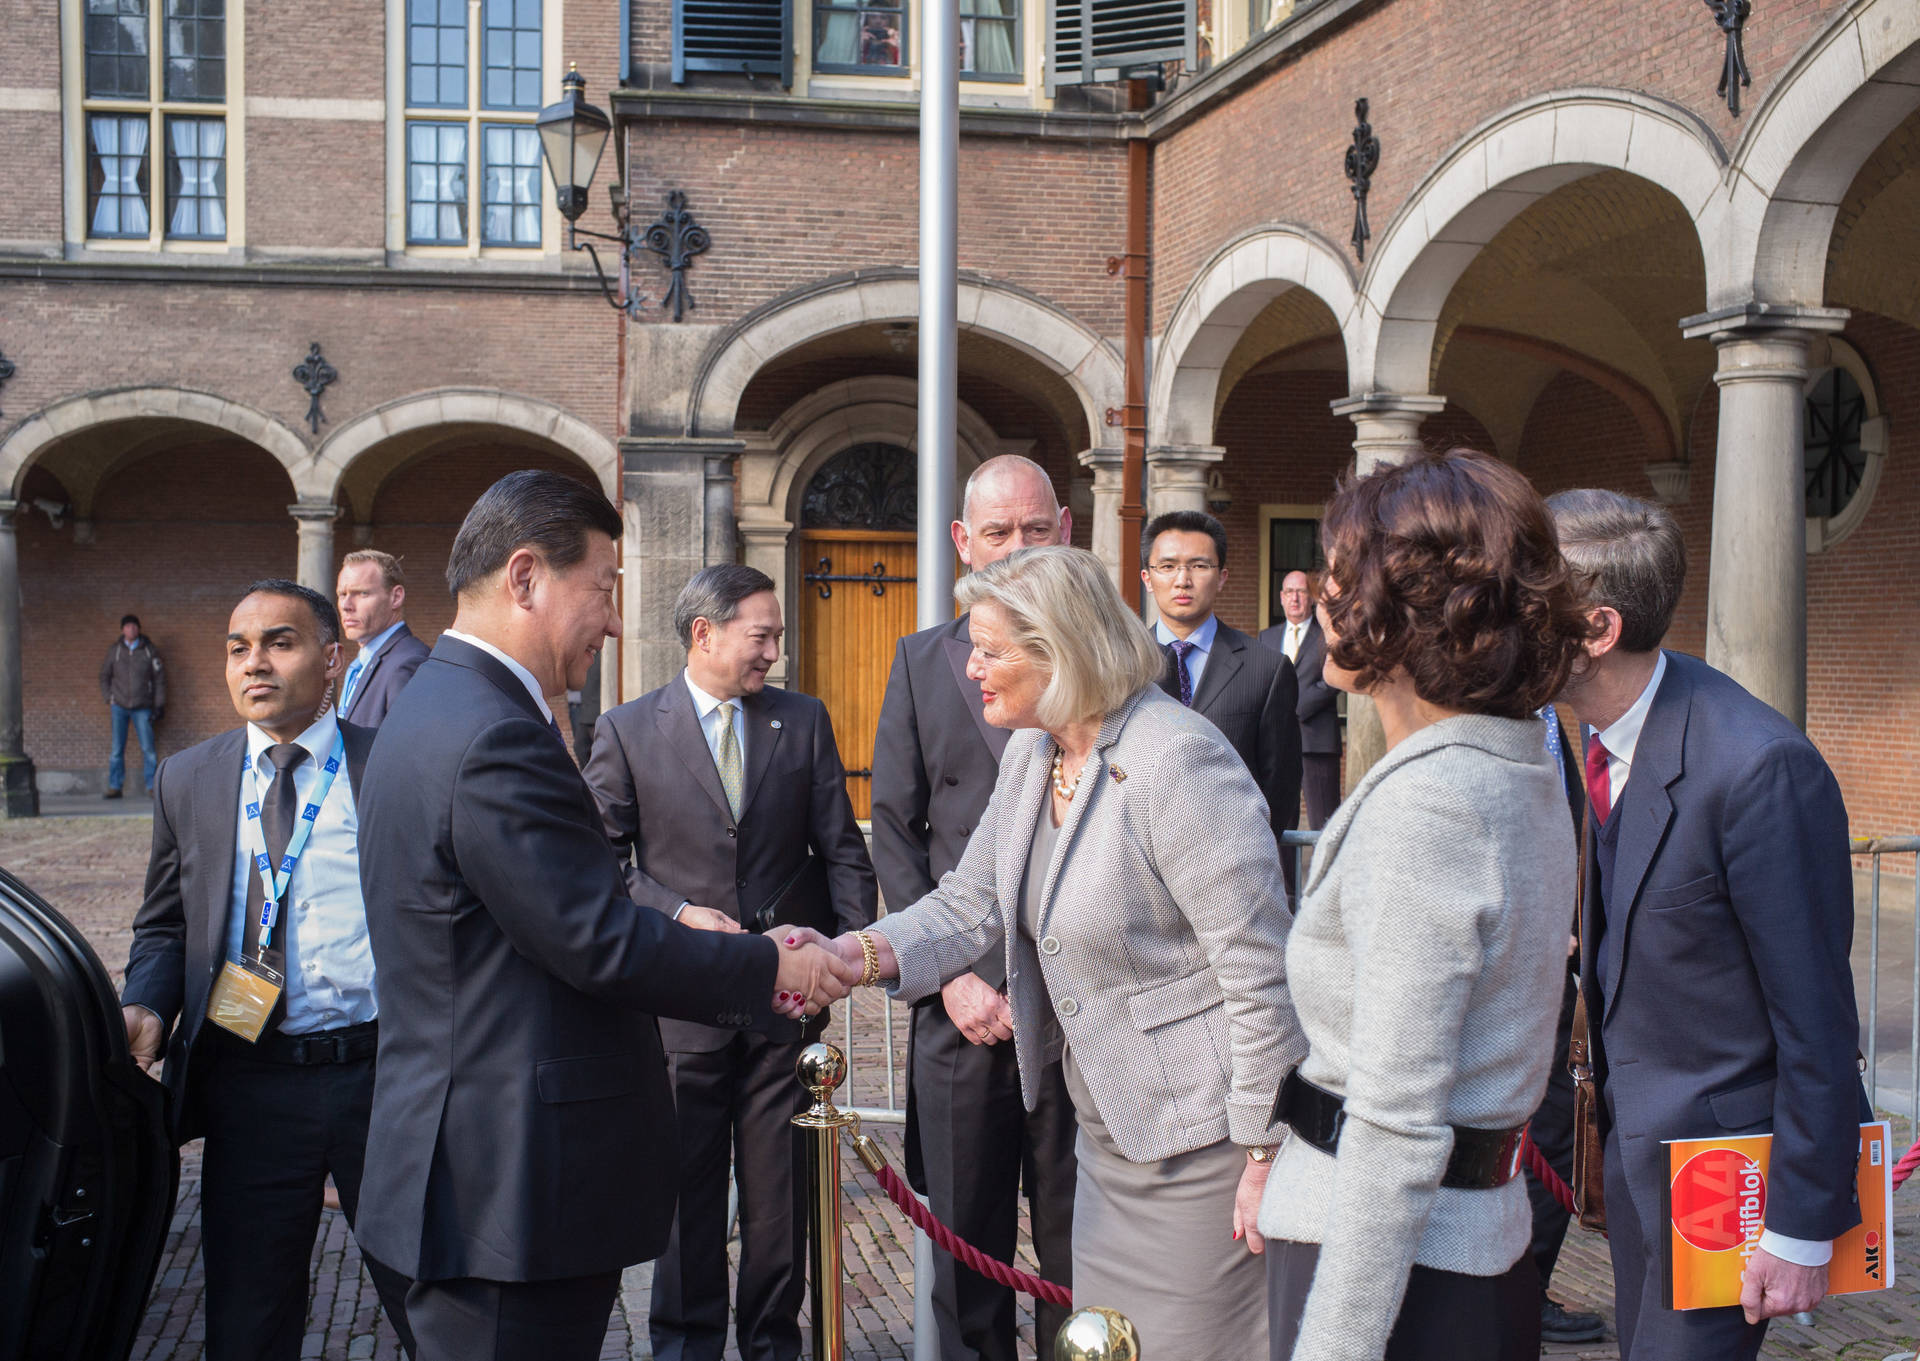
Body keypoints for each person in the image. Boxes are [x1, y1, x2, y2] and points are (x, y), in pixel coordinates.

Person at [351, 470, 858, 1361]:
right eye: (603, 587)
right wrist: (767, 965)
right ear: (525, 578)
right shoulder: (494, 731)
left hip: (465, 1170)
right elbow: (594, 937)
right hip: (502, 1191)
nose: (618, 620)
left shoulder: (439, 703)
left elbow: (549, 911)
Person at [806, 544, 1302, 1361]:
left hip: (1207, 1147)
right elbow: (970, 903)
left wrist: (1262, 1149)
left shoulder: (1177, 757)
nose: (970, 668)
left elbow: (1258, 968)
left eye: (991, 649)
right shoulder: (1039, 755)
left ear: (1059, 649)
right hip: (1109, 1134)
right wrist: (849, 953)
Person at [1259, 449, 1595, 1361]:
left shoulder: (1432, 805)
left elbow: (1399, 1123)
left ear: (1397, 612)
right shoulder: (1514, 761)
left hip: (1393, 1272)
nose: (1325, 602)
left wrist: (1334, 1345)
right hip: (1461, 1248)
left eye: (1338, 576)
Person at [1547, 488, 1868, 1361]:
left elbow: (1818, 1019)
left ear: (1596, 630)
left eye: (1520, 603)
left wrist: (1801, 1227)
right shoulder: (1602, 727)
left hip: (1730, 1179)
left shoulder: (1761, 769)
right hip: (1639, 1153)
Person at [583, 564, 877, 1361]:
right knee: (687, 1202)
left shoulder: (803, 721)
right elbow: (601, 860)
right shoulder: (627, 729)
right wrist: (677, 914)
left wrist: (848, 951)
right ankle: (685, 1344)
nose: (774, 653)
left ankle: (773, 1344)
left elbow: (842, 848)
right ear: (703, 633)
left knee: (782, 1204)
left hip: (788, 1010)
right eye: (763, 635)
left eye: (778, 636)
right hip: (683, 1008)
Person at [118, 580, 415, 1361]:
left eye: (279, 642)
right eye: (237, 646)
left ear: (331, 659)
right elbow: (163, 923)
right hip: (251, 1078)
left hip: (382, 1075)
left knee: (431, 1303)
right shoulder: (188, 777)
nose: (254, 662)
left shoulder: (390, 766)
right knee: (248, 1321)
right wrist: (146, 1004)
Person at [870, 454, 1078, 1361]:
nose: (1019, 547)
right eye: (998, 532)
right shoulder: (920, 664)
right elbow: (894, 829)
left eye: (1035, 529)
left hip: (1077, 1015)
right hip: (961, 1017)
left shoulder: (1107, 666)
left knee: (1080, 1258)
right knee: (967, 1252)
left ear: (1065, 529)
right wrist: (948, 978)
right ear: (963, 543)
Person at [1141, 510, 1302, 894]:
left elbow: (1279, 787)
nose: (1183, 579)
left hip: (1233, 877)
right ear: (1147, 578)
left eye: (1199, 565)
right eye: (1168, 566)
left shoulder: (1266, 669)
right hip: (1140, 879)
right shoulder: (1120, 668)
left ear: (1222, 576)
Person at [1521, 707, 1608, 1346]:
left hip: (1564, 956)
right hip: (1523, 962)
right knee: (1552, 1127)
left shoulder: (1557, 716)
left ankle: (1522, 1289)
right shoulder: (1499, 706)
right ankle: (1518, 1292)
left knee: (1559, 1127)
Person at [1260, 571, 1339, 829]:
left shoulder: (1326, 636)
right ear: (1281, 598)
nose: (1295, 598)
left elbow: (1332, 681)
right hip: (1277, 743)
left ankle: (1324, 871)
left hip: (1316, 740)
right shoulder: (1266, 638)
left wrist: (1293, 707)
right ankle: (1283, 872)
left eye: (1301, 592)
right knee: (1280, 823)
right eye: (1289, 592)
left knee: (1323, 821)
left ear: (1311, 598)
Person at [335, 549, 431, 729]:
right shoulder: (361, 664)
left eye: (362, 593)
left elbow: (408, 748)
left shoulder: (409, 663)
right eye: (342, 594)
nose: (346, 606)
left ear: (396, 597)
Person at [101, 612, 165, 798]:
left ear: (138, 629)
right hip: (119, 706)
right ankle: (115, 786)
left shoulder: (149, 650)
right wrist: (109, 697)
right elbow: (104, 676)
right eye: (128, 626)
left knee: (148, 748)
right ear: (123, 630)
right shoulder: (115, 651)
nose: (132, 629)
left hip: (142, 706)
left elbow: (159, 678)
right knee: (116, 749)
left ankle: (152, 787)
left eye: (135, 626)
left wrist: (159, 704)